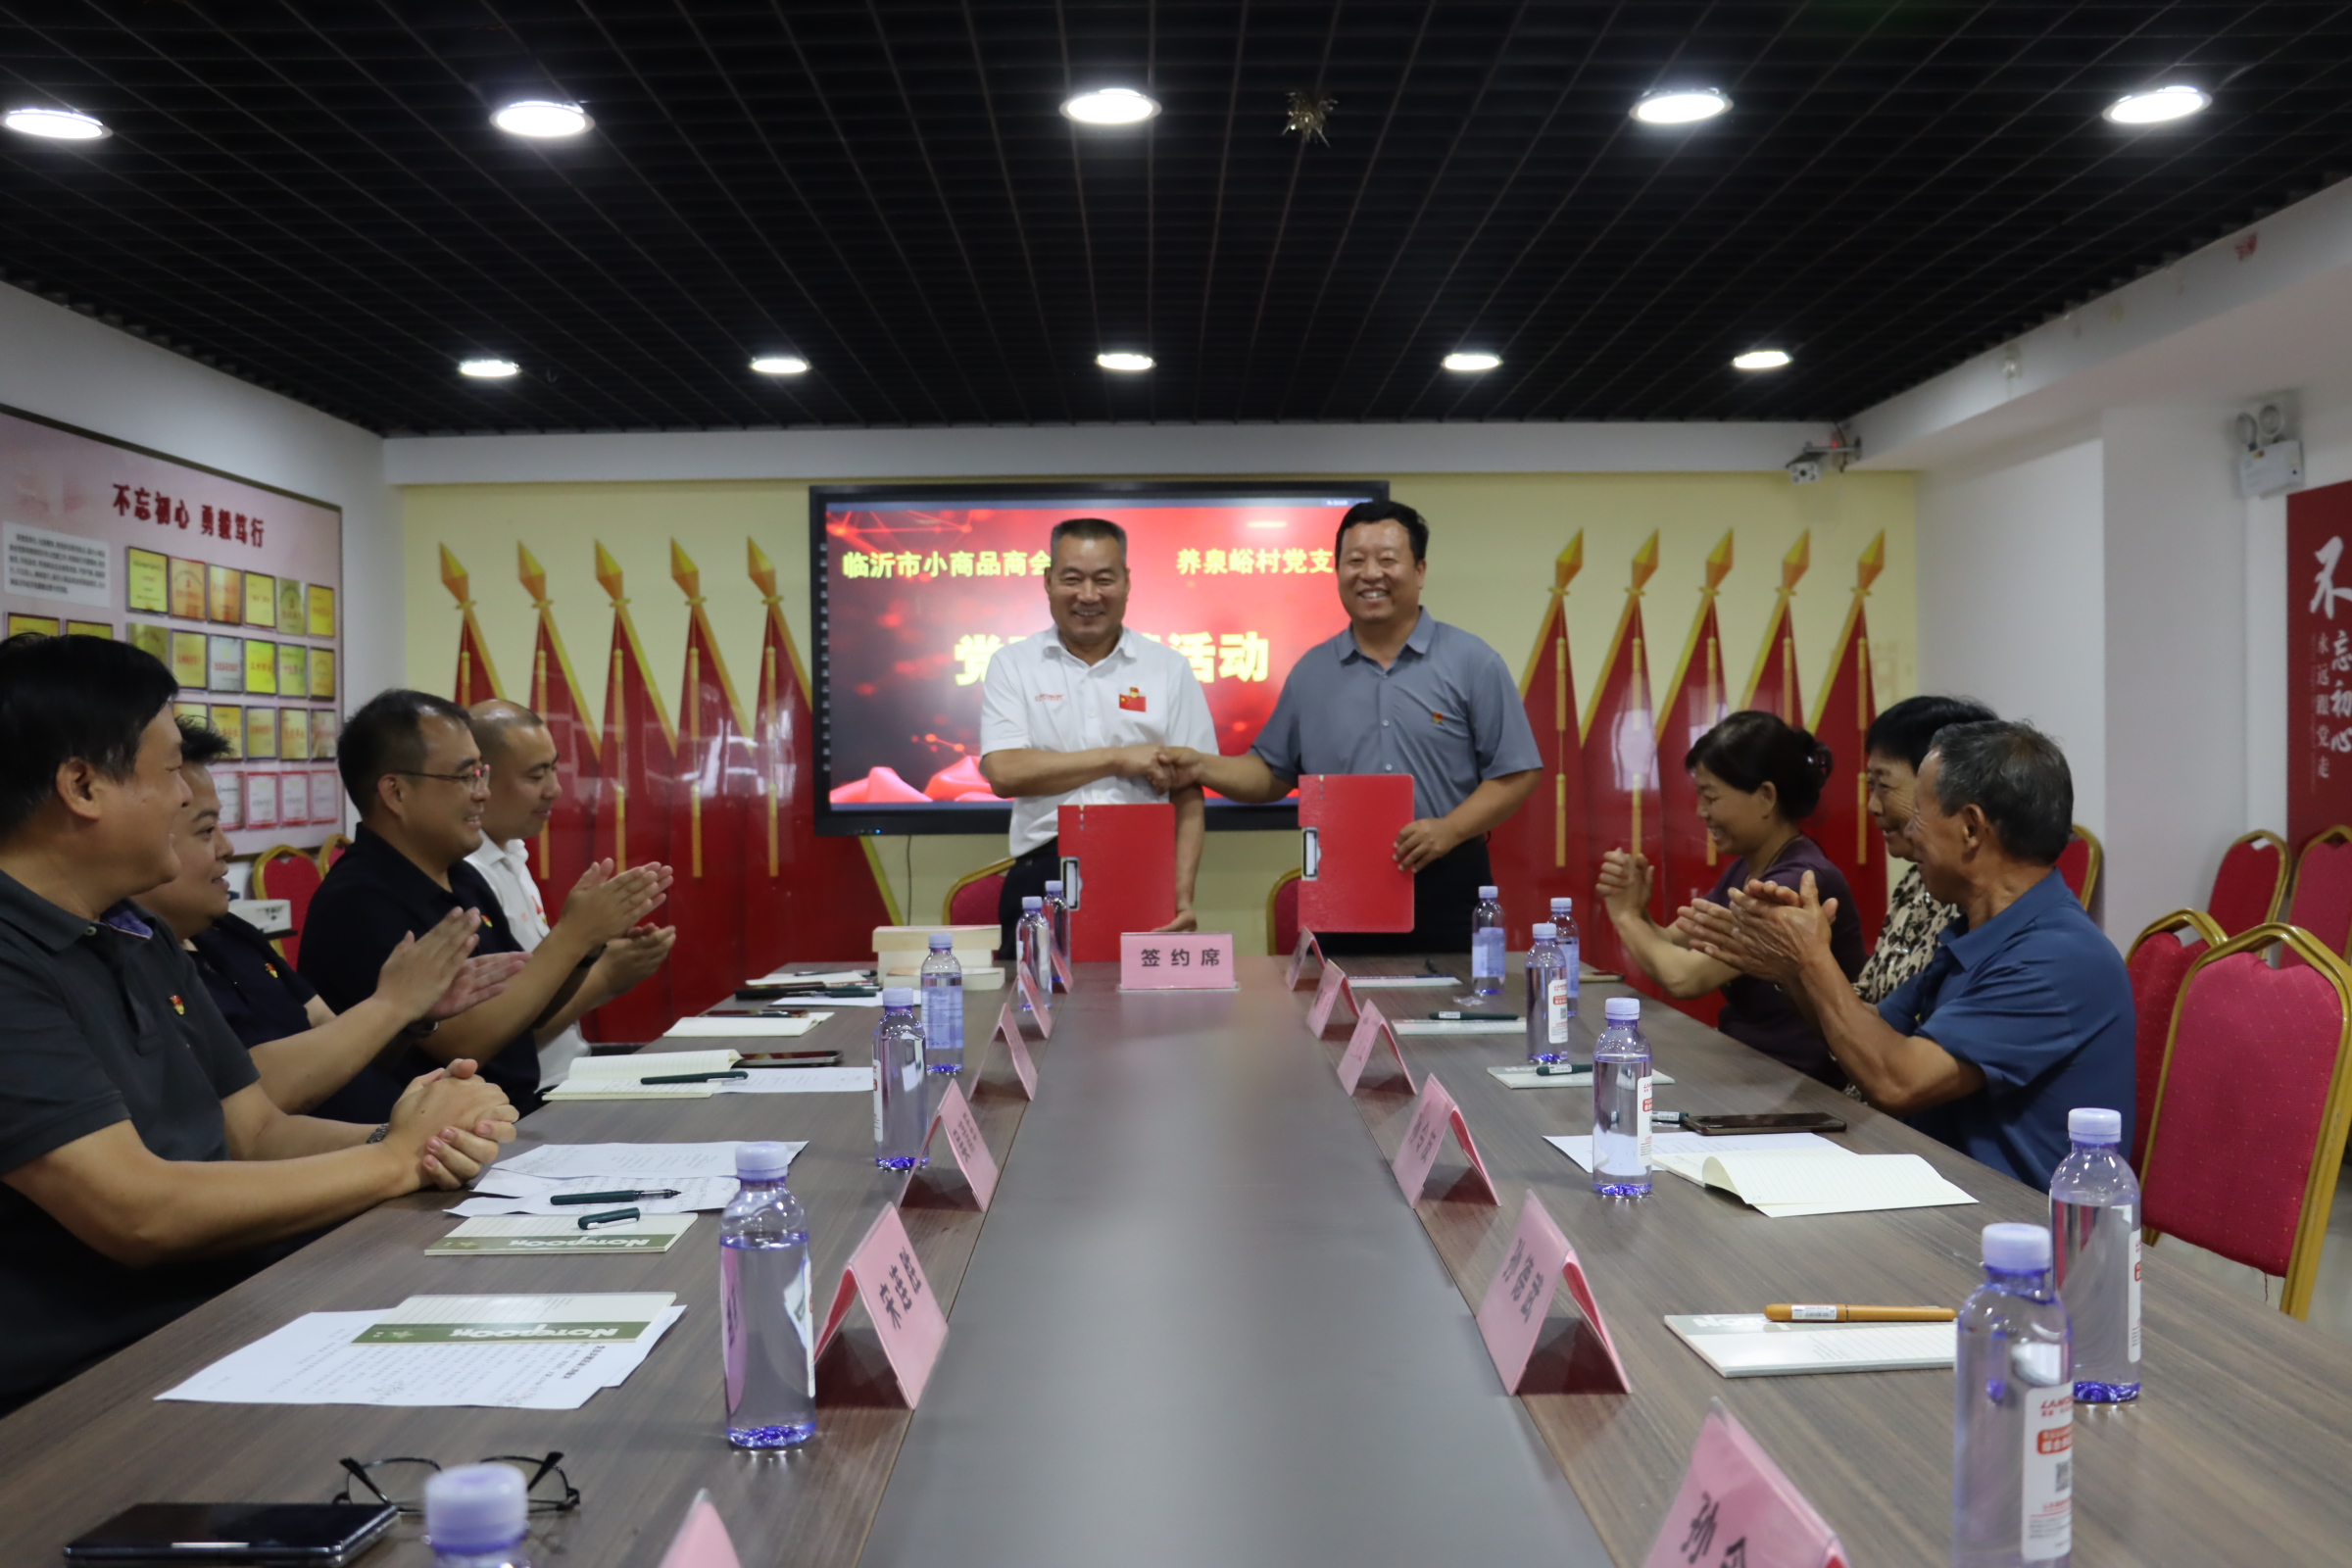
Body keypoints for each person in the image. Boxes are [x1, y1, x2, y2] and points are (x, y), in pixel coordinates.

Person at [0, 634, 517, 1414]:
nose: (185, 798)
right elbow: (137, 1212)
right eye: (169, 770)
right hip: (82, 1394)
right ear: (82, 785)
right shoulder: (14, 960)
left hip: (227, 1321)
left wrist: (428, 1137)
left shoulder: (138, 935)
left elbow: (254, 1133)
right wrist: (397, 1159)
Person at [1681, 719, 2132, 1188]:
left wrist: (1814, 960)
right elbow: (1870, 1034)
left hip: (2009, 1218)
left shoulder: (2058, 958)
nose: (1910, 834)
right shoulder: (1977, 930)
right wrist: (1794, 969)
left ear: (1971, 828)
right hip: (1931, 1182)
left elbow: (1897, 1082)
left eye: (1919, 814)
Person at [1154, 499, 1541, 953]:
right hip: (1342, 885)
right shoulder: (1312, 673)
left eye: (1387, 560)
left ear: (1419, 570)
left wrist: (1449, 830)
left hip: (1448, 878)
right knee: (1343, 998)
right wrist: (1200, 766)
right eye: (1355, 561)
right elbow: (1272, 773)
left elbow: (1517, 771)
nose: (1370, 574)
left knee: (1454, 998)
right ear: (1337, 571)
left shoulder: (1472, 662)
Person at [298, 690, 673, 1122]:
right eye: (465, 777)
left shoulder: (462, 877)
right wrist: (573, 935)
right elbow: (465, 1043)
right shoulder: (360, 900)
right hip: (433, 1138)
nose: (482, 794)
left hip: (513, 1114)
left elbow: (526, 1008)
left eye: (482, 773)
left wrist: (587, 948)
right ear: (396, 792)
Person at [137, 716, 527, 1112]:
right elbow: (253, 1106)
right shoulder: (136, 966)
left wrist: (409, 1017)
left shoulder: (229, 932)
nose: (227, 847)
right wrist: (393, 1005)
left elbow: (338, 1041)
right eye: (206, 831)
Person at [978, 516, 1218, 956]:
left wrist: (1180, 895)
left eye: (1104, 580)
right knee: (1039, 1000)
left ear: (1126, 582)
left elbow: (1189, 793)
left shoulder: (1168, 668)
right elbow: (1005, 772)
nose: (1088, 595)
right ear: (1048, 581)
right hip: (1042, 875)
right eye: (1072, 579)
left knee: (1144, 1001)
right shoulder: (1013, 665)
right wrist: (1118, 758)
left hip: (1143, 872)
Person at [1596, 710, 1864, 1084]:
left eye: (1711, 797)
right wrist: (1637, 908)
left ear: (1766, 797)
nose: (1701, 812)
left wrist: (1626, 916)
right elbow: (1673, 941)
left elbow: (1684, 977)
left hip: (1799, 1081)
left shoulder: (1796, 882)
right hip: (1752, 1064)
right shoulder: (1751, 867)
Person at [466, 699, 676, 1082]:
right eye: (536, 776)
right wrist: (603, 976)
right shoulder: (468, 874)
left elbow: (543, 983)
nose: (555, 789)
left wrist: (594, 946)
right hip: (528, 1093)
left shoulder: (511, 852)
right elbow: (499, 1039)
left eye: (554, 769)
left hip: (569, 1073)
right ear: (479, 782)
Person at [1853, 695, 1997, 1004]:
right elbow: (1870, 1000)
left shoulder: (1982, 908)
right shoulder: (1916, 881)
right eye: (1870, 786)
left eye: (1884, 786)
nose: (1872, 806)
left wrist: (1811, 963)